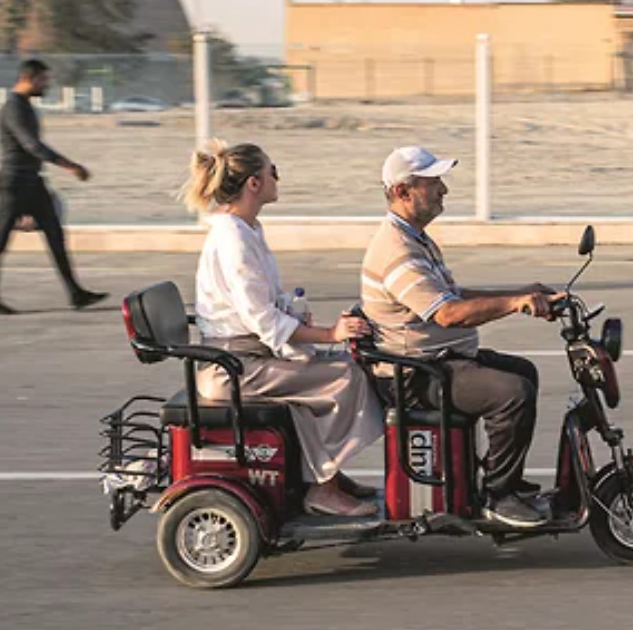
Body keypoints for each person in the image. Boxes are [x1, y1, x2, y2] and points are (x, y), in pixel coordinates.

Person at [360, 146, 561, 528]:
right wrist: (515, 303)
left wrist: (521, 293)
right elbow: (448, 314)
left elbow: (453, 296)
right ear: (403, 192)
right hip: (415, 376)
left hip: (436, 362)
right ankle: (499, 496)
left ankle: (504, 481)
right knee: (512, 391)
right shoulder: (397, 251)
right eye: (433, 183)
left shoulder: (415, 239)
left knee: (524, 371)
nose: (444, 190)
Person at [181, 140, 383, 517]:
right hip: (235, 369)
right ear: (254, 183)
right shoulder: (234, 239)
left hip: (246, 358)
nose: (278, 178)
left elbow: (260, 305)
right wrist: (330, 334)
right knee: (346, 377)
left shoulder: (246, 229)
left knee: (327, 371)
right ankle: (322, 487)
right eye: (273, 171)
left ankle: (324, 473)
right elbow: (261, 319)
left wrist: (298, 317)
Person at [0, 58, 106, 315]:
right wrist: (70, 166)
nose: (47, 85)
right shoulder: (14, 107)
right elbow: (32, 145)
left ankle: (76, 294)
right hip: (14, 183)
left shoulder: (26, 106)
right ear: (29, 78)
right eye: (43, 80)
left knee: (56, 236)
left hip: (33, 182)